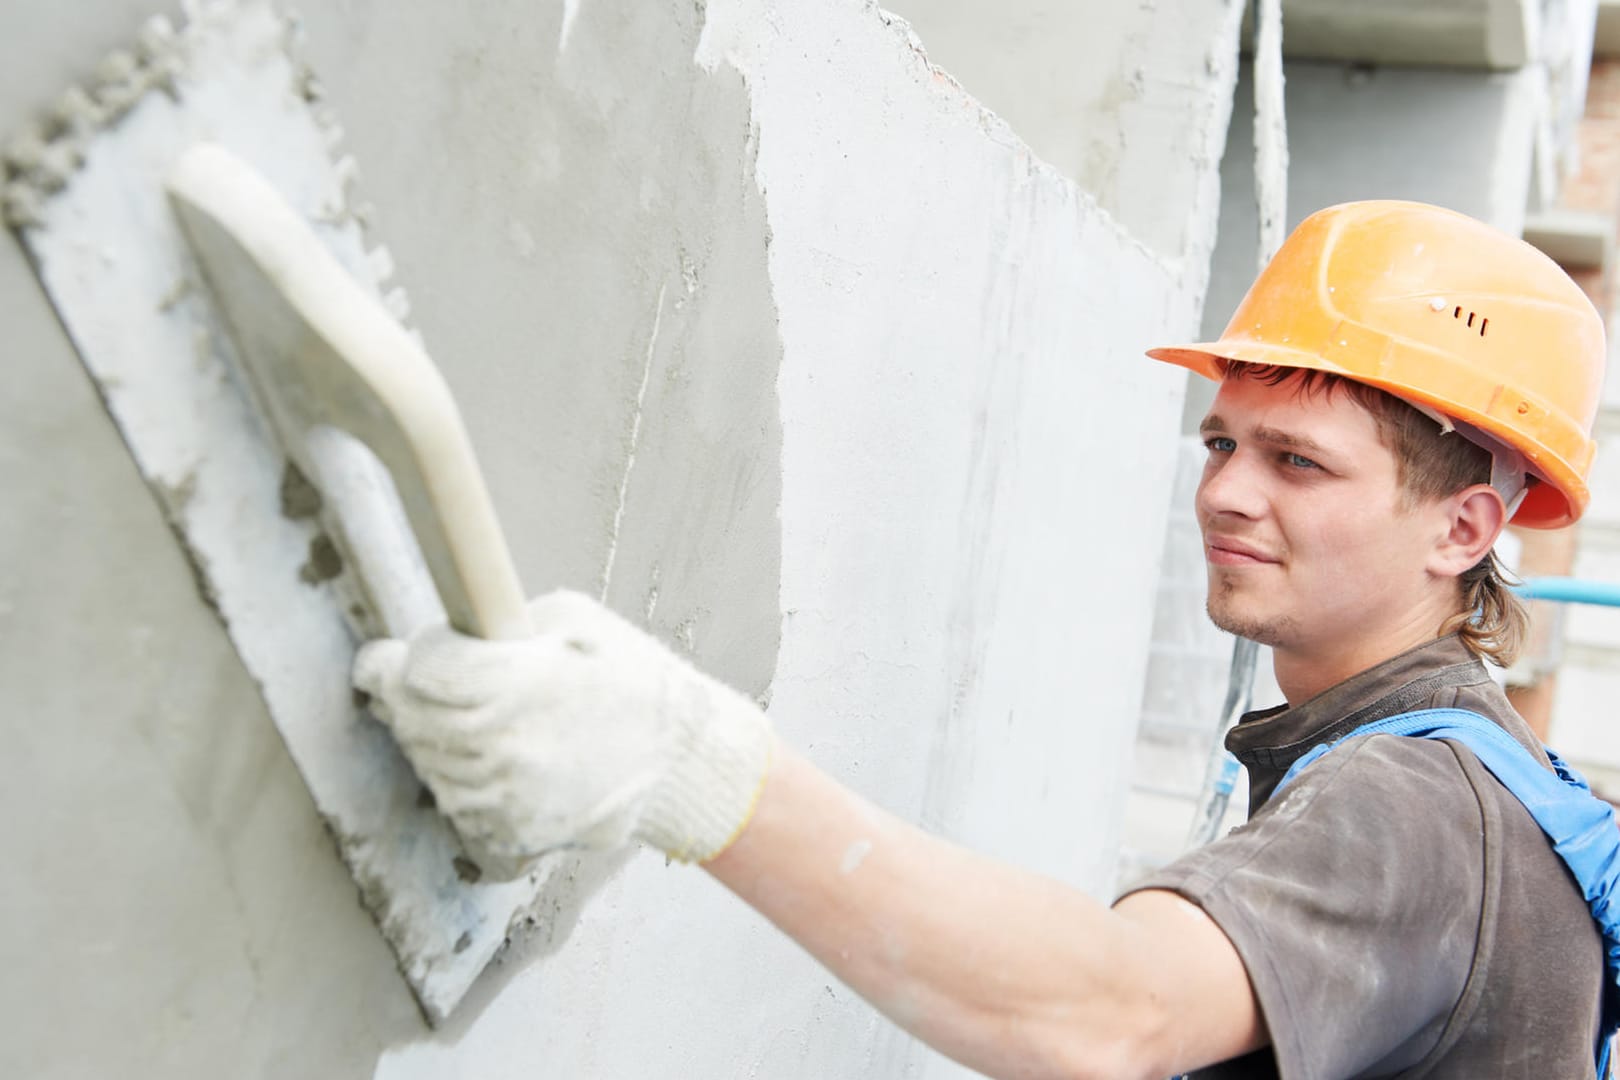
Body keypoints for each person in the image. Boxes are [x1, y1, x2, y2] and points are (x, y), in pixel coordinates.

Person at [354, 200, 1612, 1078]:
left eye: (1299, 462)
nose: (1227, 491)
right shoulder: (1457, 775)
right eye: (1223, 443)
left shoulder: (1413, 810)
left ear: (1463, 528)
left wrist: (691, 763)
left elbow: (1112, 1015)